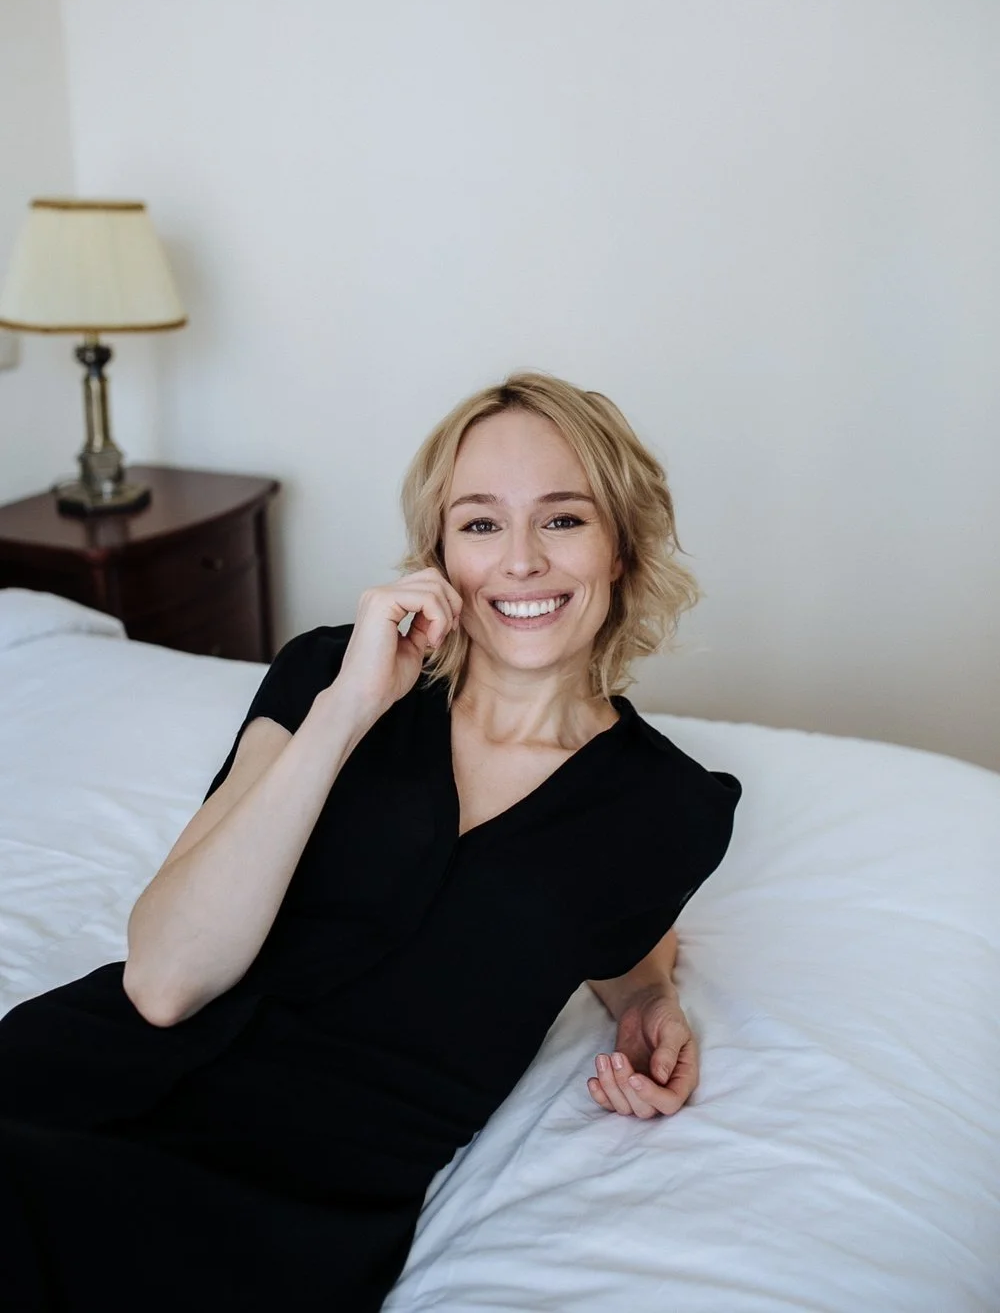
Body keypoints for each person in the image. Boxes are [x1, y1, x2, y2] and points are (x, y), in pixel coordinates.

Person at [0, 369, 742, 1312]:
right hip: (78, 1074)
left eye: (562, 518)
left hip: (283, 1201)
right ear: (440, 555)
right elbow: (164, 981)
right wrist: (350, 708)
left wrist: (648, 999)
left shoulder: (670, 808)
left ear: (621, 546)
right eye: (480, 523)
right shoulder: (328, 675)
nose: (520, 561)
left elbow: (604, 916)